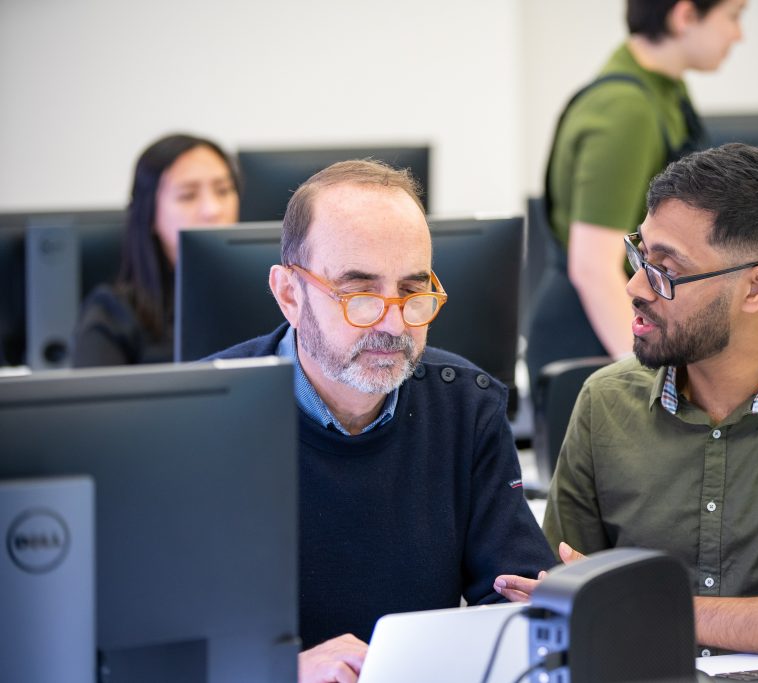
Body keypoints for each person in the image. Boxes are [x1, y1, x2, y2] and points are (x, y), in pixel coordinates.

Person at [496, 144, 758, 660]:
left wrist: (650, 609)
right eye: (640, 256)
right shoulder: (606, 402)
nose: (634, 286)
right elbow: (559, 608)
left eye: (666, 269)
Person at [208, 159, 554, 683]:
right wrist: (274, 670)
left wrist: (558, 601)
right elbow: (143, 643)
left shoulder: (466, 406)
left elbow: (514, 599)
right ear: (289, 295)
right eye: (361, 294)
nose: (394, 324)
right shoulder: (201, 418)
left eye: (413, 292)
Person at [526, 0, 746, 397]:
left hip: (632, 326)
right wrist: (649, 379)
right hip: (595, 339)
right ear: (684, 16)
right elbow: (593, 268)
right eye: (732, 16)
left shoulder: (665, 90)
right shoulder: (625, 109)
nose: (738, 33)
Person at [71, 133, 240, 366]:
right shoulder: (112, 313)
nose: (212, 209)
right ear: (149, 213)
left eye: (223, 190)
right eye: (188, 195)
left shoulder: (274, 295)